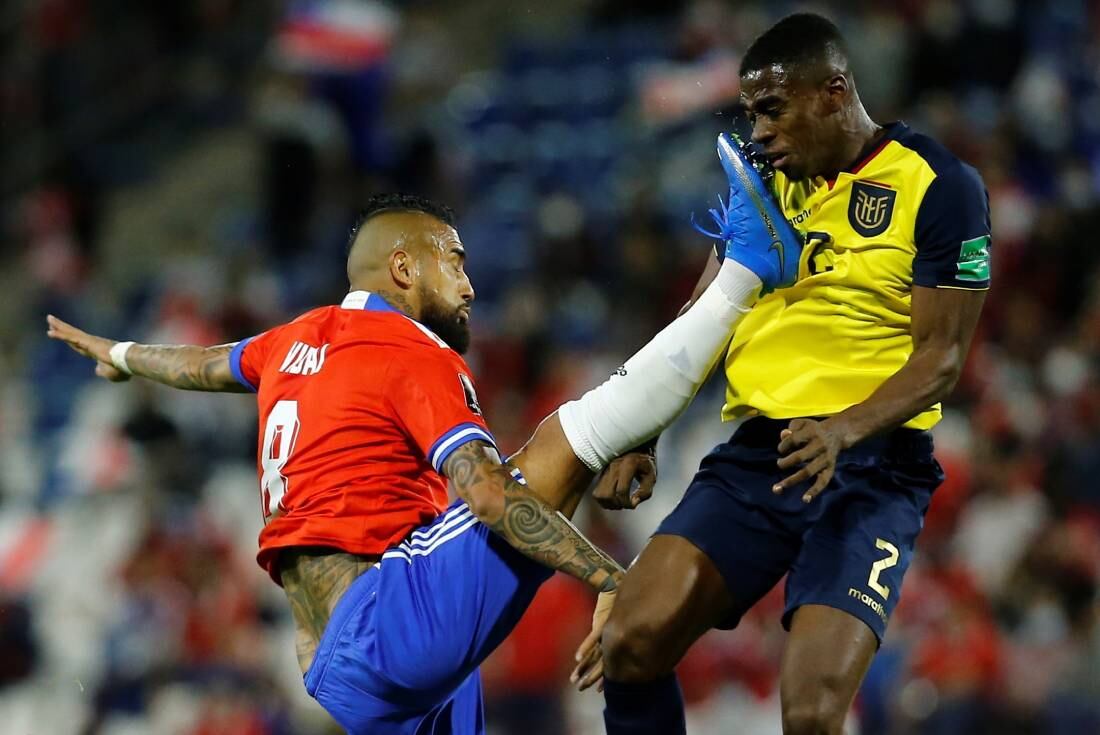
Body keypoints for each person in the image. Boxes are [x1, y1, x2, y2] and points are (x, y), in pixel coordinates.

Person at [47, 183, 800, 734]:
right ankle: (746, 268)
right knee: (559, 443)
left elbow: (204, 364)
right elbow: (489, 496)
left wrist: (118, 354)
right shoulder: (409, 350)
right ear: (403, 269)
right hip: (388, 625)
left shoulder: (294, 340)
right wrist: (616, 581)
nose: (470, 284)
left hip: (332, 668)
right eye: (454, 262)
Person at [573, 13, 992, 735]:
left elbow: (942, 357)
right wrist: (646, 427)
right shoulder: (765, 182)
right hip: (757, 459)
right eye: (750, 114)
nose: (758, 131)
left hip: (873, 470)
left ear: (833, 92)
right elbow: (704, 310)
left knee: (811, 714)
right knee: (629, 642)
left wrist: (841, 429)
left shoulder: (941, 185)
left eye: (772, 109)